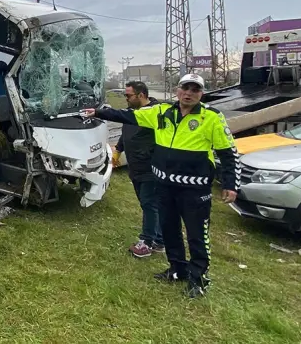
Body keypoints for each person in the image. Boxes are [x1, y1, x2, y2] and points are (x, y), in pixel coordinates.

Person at [82, 73, 238, 298]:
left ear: (200, 93)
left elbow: (228, 153)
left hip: (194, 189)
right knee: (169, 230)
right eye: (186, 88)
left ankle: (198, 278)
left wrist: (230, 184)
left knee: (197, 235)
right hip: (164, 184)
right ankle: (177, 269)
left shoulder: (212, 117)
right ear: (178, 90)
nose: (189, 93)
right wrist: (97, 112)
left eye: (195, 90)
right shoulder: (161, 112)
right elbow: (128, 115)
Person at [114, 81, 163, 258]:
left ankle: (147, 242)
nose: (126, 99)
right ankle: (159, 239)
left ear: (141, 95)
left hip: (150, 168)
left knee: (150, 204)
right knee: (147, 204)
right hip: (135, 168)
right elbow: (125, 132)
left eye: (128, 95)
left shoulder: (155, 113)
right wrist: (118, 150)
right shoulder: (133, 112)